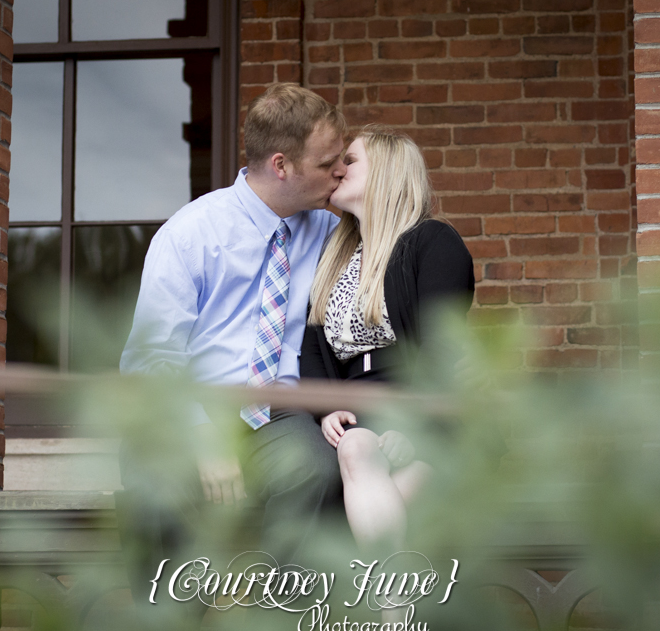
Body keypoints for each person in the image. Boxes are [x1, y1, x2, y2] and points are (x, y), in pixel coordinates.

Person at [119, 83, 348, 575]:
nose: (340, 171)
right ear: (281, 165)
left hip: (279, 418)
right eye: (328, 162)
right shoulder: (190, 234)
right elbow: (149, 357)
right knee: (160, 486)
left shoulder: (332, 234)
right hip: (189, 409)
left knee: (315, 470)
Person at [300, 125, 475, 556]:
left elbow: (442, 348)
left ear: (385, 172)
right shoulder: (334, 255)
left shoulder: (432, 242)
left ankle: (389, 614)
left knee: (375, 514)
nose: (338, 170)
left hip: (426, 412)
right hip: (359, 417)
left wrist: (418, 427)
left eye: (351, 161)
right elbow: (311, 344)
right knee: (356, 448)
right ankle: (395, 612)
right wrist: (326, 408)